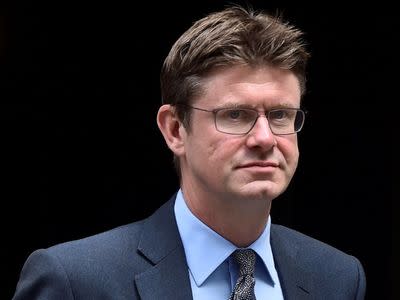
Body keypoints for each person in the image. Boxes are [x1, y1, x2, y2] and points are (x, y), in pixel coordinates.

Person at [13, 5, 366, 300]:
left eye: (280, 115)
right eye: (235, 114)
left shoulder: (337, 279)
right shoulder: (75, 281)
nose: (264, 138)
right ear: (174, 129)